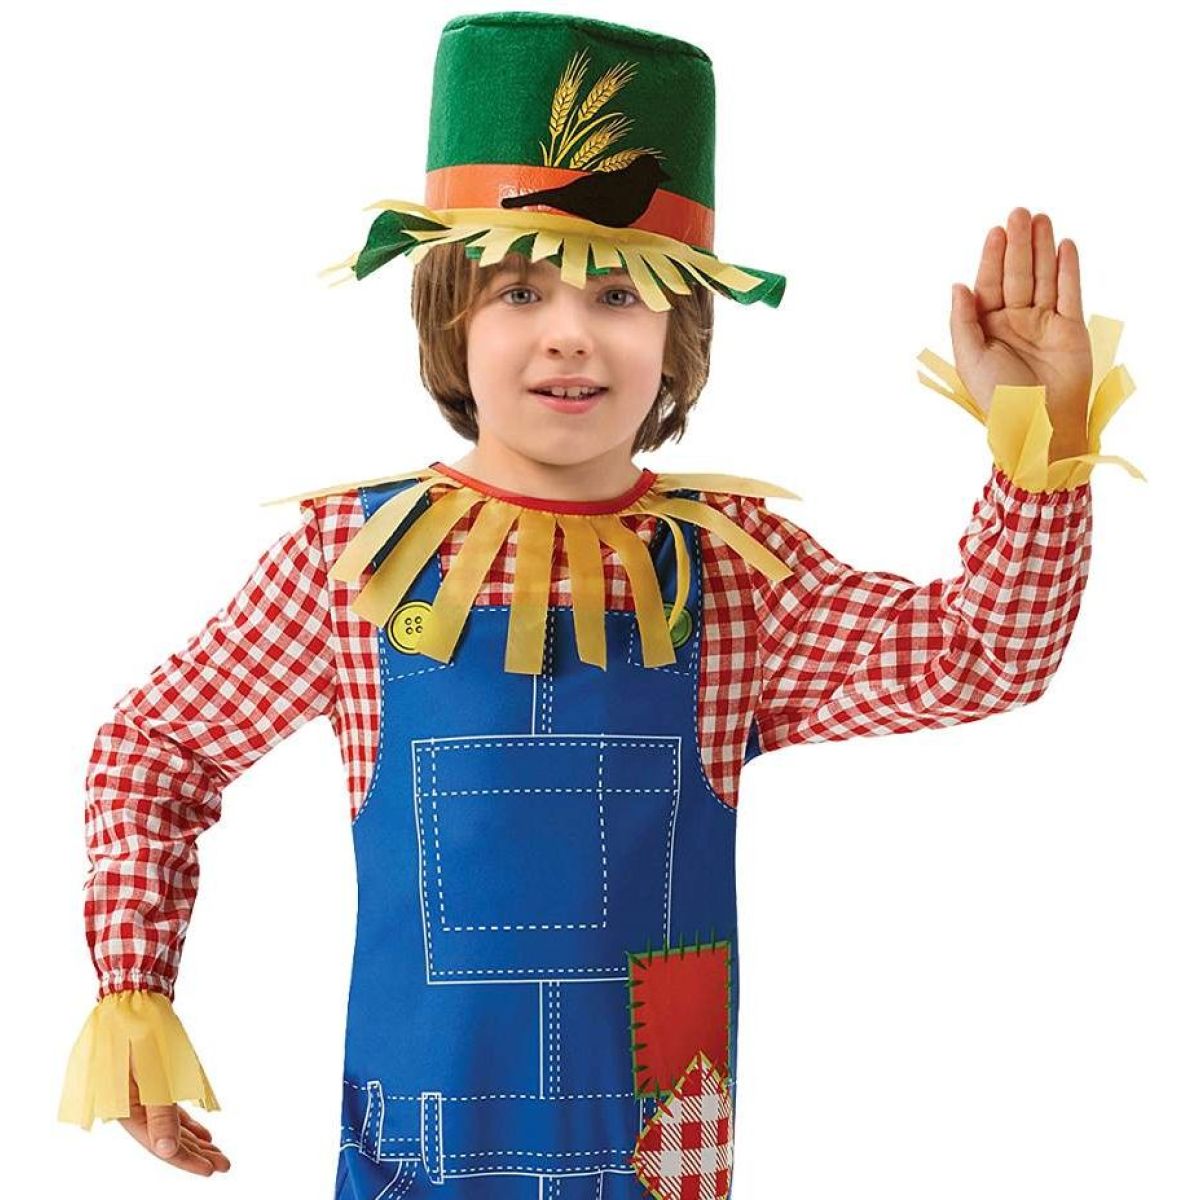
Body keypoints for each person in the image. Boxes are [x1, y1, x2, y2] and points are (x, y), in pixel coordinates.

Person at [57, 10, 1142, 1198]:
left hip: (655, 1149)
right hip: (426, 1142)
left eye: (620, 294)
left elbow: (984, 654)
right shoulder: (352, 557)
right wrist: (134, 997)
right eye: (520, 291)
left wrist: (1039, 440)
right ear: (448, 314)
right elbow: (155, 750)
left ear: (680, 332)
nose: (570, 336)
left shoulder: (732, 569)